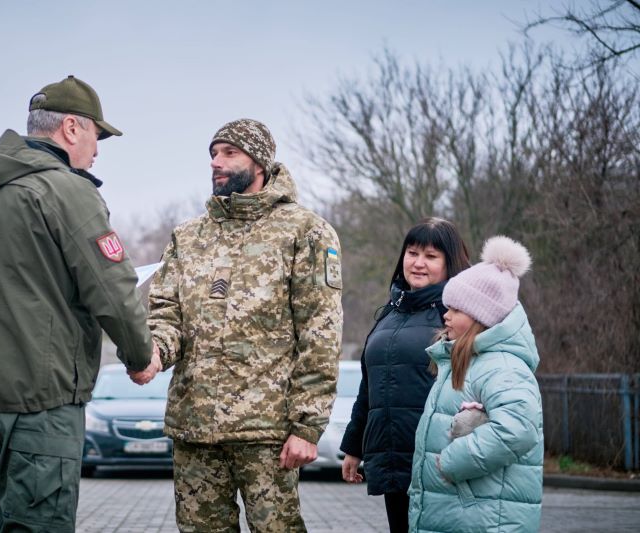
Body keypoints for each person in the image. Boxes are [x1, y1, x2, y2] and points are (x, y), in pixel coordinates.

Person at [0, 75, 159, 532]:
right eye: (97, 137)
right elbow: (113, 289)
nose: (96, 152)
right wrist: (141, 356)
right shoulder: (68, 191)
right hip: (42, 398)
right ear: (71, 128)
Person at [147, 118, 343, 531]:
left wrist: (307, 426)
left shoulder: (305, 232)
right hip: (195, 428)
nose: (216, 162)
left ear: (259, 163)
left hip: (267, 432)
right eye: (213, 154)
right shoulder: (188, 236)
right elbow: (165, 313)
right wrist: (153, 352)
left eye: (229, 153)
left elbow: (320, 333)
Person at [340, 217, 470, 533]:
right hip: (393, 459)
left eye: (431, 256)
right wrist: (354, 447)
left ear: (449, 263)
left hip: (439, 461)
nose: (418, 263)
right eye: (412, 253)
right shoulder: (390, 312)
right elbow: (369, 386)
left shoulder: (458, 315)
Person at [407, 236, 543, 532]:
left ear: (482, 317)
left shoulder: (503, 368)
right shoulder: (466, 361)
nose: (445, 315)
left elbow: (518, 429)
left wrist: (451, 462)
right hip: (462, 515)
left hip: (484, 519)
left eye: (456, 310)